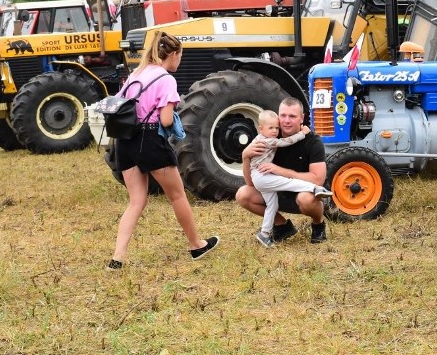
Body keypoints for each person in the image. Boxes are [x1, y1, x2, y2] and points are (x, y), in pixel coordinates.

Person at [108, 30, 219, 270]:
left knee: (136, 201)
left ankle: (117, 257)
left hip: (125, 141)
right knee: (177, 195)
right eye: (181, 56)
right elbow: (166, 120)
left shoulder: (137, 73)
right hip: (149, 140)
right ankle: (196, 244)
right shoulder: (166, 79)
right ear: (174, 54)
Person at [236, 97, 329, 244]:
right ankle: (282, 226)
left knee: (306, 199)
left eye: (292, 116)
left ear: (302, 118)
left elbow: (318, 180)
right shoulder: (269, 136)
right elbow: (251, 183)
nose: (286, 121)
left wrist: (279, 170)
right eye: (283, 115)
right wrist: (245, 157)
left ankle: (318, 224)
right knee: (243, 194)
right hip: (277, 193)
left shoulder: (313, 141)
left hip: (304, 196)